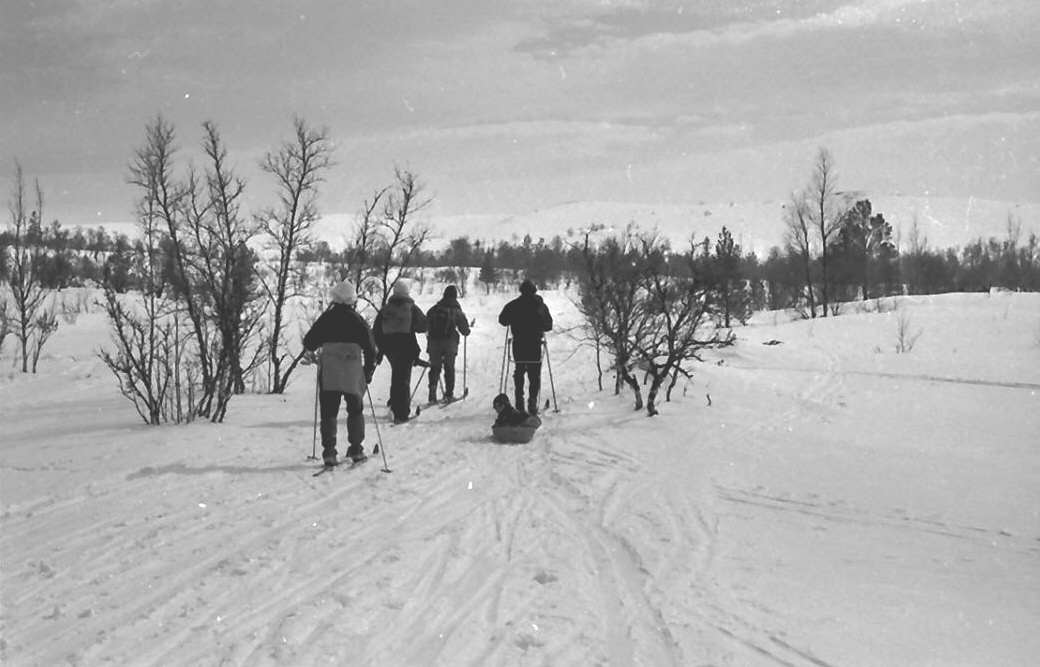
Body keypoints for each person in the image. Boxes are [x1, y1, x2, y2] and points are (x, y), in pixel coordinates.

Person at [302, 280, 377, 466]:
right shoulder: (358, 321)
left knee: (328, 412)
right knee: (355, 410)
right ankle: (357, 450)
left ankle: (329, 452)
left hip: (329, 374)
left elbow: (310, 342)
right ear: (353, 300)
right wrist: (367, 373)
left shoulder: (326, 318)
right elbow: (370, 349)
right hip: (352, 374)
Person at [374, 280, 427, 422]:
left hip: (390, 350)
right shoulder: (411, 308)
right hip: (406, 348)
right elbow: (423, 325)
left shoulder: (386, 309)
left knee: (396, 376)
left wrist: (380, 351)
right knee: (403, 380)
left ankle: (394, 404)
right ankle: (401, 413)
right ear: (406, 293)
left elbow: (376, 331)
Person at [498, 278, 553, 415]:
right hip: (535, 343)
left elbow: (502, 320)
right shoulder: (541, 306)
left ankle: (519, 400)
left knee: (519, 370)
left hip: (519, 343)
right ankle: (532, 401)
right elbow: (548, 326)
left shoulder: (513, 305)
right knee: (534, 373)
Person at [424, 285, 471, 403]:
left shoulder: (434, 309)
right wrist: (466, 331)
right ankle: (449, 394)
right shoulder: (456, 311)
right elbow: (464, 330)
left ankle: (432, 391)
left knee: (435, 367)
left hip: (434, 343)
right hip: (449, 343)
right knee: (449, 368)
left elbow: (425, 323)